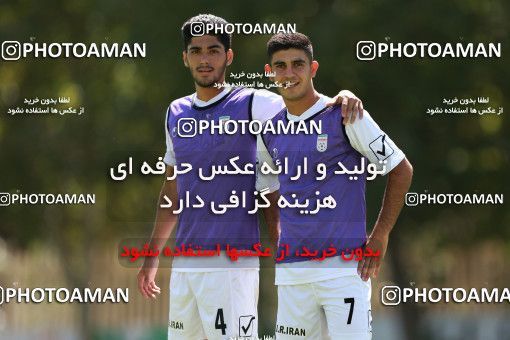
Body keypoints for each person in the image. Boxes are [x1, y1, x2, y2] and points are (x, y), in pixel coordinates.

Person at [137, 14, 364, 340]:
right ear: (184, 57)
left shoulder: (253, 103)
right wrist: (151, 258)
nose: (204, 59)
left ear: (228, 57)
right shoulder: (175, 112)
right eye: (196, 50)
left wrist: (341, 97)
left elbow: (306, 103)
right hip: (186, 264)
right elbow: (173, 190)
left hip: (232, 264)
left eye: (213, 50)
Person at [260, 32, 413, 339]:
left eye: (297, 64)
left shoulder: (346, 114)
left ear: (313, 68)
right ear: (269, 72)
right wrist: (278, 237)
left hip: (344, 271)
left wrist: (380, 234)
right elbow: (269, 187)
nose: (289, 73)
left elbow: (400, 169)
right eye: (280, 66)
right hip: (293, 274)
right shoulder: (269, 130)